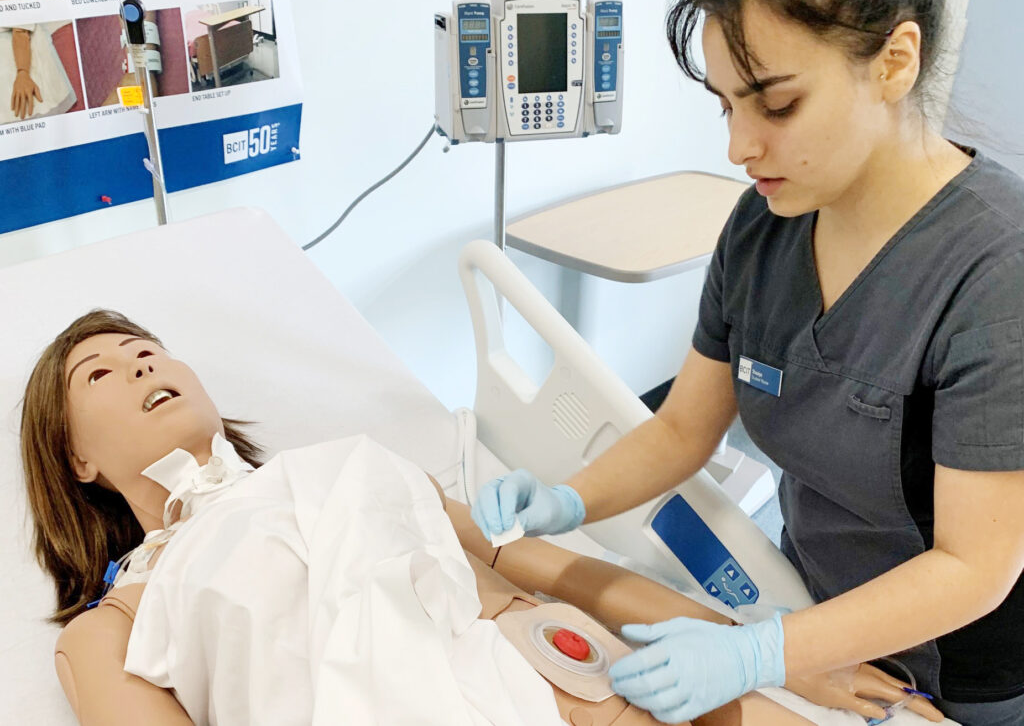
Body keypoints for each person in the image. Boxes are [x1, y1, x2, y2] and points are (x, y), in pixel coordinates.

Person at [473, 0, 1024, 724]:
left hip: (954, 664)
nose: (739, 148)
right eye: (726, 105)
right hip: (813, 610)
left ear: (895, 61)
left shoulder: (996, 271)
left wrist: (762, 651)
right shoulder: (764, 229)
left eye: (776, 104)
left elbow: (977, 566)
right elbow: (685, 428)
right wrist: (566, 497)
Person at [20, 308, 914, 726]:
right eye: (99, 373)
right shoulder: (112, 626)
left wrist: (780, 654)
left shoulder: (351, 463)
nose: (139, 365)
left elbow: (565, 572)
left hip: (575, 681)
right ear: (78, 461)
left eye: (146, 348)